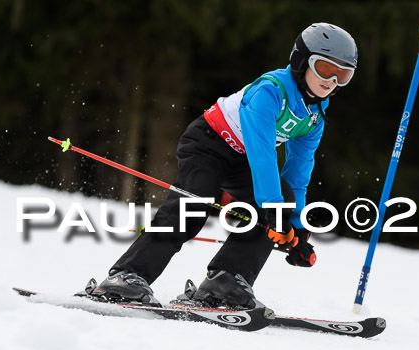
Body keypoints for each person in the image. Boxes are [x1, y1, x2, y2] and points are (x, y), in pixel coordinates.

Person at [86, 22, 358, 309]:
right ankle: (127, 275)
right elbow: (263, 155)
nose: (333, 81)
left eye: (344, 74)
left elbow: (298, 171)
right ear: (300, 61)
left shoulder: (314, 117)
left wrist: (296, 227)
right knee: (193, 206)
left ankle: (226, 281)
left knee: (285, 198)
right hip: (209, 142)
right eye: (326, 69)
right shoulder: (270, 91)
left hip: (241, 158)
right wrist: (273, 211)